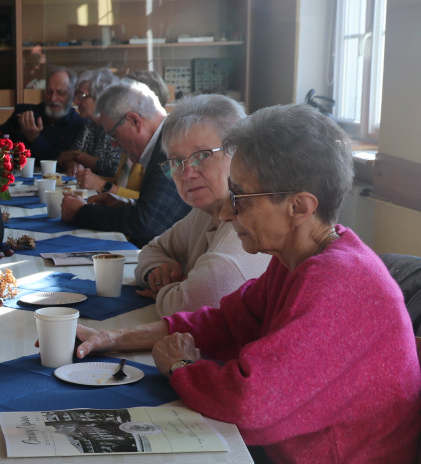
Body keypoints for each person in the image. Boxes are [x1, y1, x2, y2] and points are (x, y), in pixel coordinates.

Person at [72, 104, 421, 464]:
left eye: (243, 197)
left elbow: (248, 400)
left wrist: (181, 370)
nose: (228, 210)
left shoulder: (340, 282)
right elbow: (223, 321)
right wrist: (116, 338)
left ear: (299, 206)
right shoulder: (301, 257)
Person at [134, 94, 270, 315]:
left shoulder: (250, 221)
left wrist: (168, 291)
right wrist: (157, 273)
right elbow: (152, 249)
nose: (188, 173)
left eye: (202, 156)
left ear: (238, 154)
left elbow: (188, 310)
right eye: (177, 161)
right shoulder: (205, 212)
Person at [60, 80, 189, 247]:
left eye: (113, 135)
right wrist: (126, 205)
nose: (113, 144)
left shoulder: (171, 147)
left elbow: (147, 225)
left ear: (134, 121)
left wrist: (82, 212)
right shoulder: (166, 140)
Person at [0, 67, 85, 162]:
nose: (53, 98)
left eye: (61, 93)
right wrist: (14, 126)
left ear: (73, 95)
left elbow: (59, 159)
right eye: (49, 92)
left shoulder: (77, 124)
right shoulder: (26, 112)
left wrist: (34, 138)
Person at [58, 68, 121, 178]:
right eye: (77, 95)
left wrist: (79, 156)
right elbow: (65, 157)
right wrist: (73, 165)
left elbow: (112, 169)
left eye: (82, 96)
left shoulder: (116, 126)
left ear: (101, 98)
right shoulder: (89, 124)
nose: (76, 101)